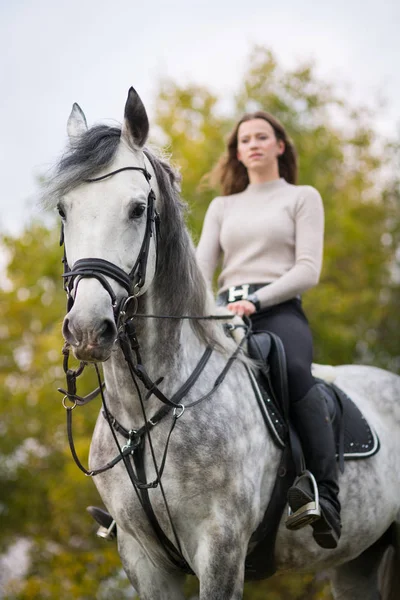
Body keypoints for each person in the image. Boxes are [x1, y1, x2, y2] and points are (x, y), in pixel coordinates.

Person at [196, 111, 341, 549]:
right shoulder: (222, 206)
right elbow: (201, 271)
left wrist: (256, 301)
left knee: (295, 371)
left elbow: (308, 270)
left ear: (280, 145)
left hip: (278, 309)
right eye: (246, 140)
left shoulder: (302, 197)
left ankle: (325, 498)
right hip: (223, 312)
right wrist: (209, 308)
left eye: (263, 137)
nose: (254, 144)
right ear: (238, 153)